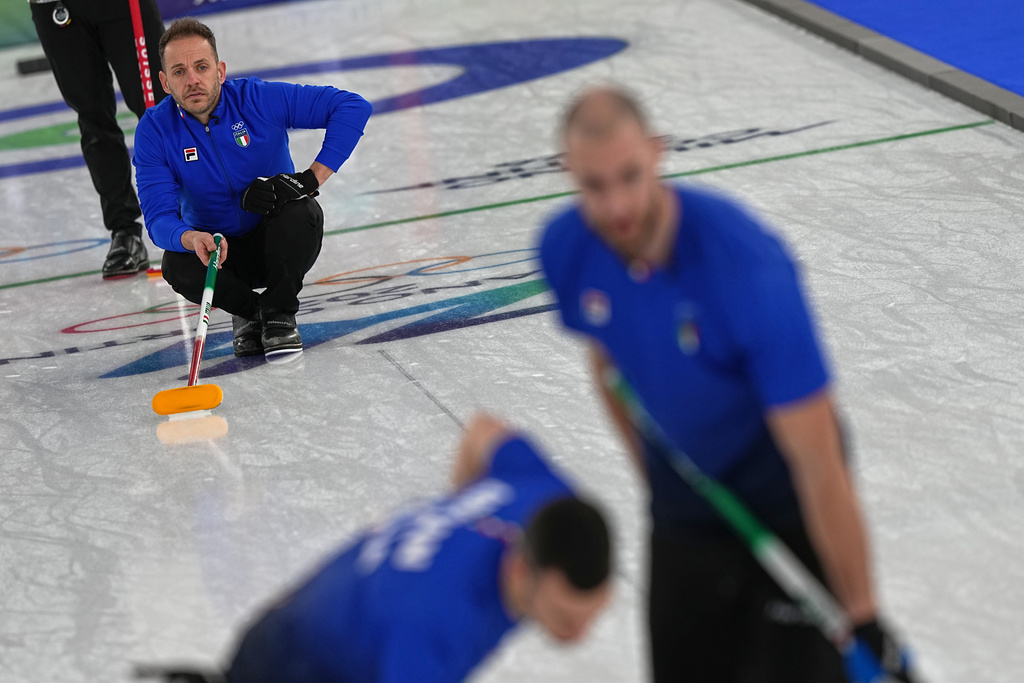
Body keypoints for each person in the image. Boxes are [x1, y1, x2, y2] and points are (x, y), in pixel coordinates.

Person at [538, 87, 916, 682]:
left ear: (658, 155)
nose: (617, 207)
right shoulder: (566, 250)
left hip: (785, 499)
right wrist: (661, 476)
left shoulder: (747, 269)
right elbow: (609, 364)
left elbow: (819, 460)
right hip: (687, 504)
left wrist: (863, 618)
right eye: (594, 186)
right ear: (570, 174)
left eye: (630, 177)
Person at [141, 413, 613, 683]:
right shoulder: (433, 633)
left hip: (323, 612)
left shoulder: (547, 494)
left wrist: (453, 512)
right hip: (297, 662)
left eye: (590, 614)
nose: (578, 636)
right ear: (517, 572)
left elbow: (483, 430)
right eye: (565, 620)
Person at [133, 17, 372, 356]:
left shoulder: (257, 99)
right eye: (179, 71)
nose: (193, 80)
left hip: (279, 242)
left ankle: (279, 314)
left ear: (220, 70)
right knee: (177, 263)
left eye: (201, 67)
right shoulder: (154, 130)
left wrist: (310, 178)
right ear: (165, 82)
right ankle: (250, 312)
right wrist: (190, 237)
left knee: (301, 212)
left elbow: (352, 106)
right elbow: (158, 219)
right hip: (219, 252)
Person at [29, 0, 167, 279]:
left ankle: (192, 214)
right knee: (93, 118)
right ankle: (125, 231)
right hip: (57, 6)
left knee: (160, 108)